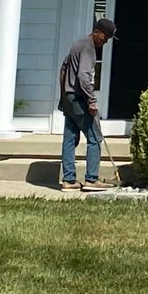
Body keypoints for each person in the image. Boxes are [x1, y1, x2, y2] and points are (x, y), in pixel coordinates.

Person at [58, 17, 116, 191]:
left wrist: (63, 97)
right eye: (104, 38)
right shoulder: (88, 47)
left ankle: (69, 180)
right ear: (97, 32)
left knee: (69, 138)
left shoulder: (78, 43)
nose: (105, 42)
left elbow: (63, 70)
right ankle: (91, 179)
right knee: (94, 137)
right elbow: (84, 76)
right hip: (79, 98)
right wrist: (91, 100)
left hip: (69, 96)